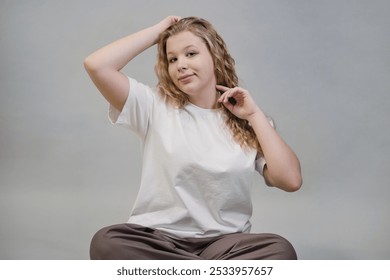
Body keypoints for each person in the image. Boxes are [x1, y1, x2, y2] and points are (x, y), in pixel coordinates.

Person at [84, 16, 302, 260]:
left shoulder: (250, 122)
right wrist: (158, 32)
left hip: (226, 245)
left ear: (215, 56)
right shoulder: (153, 105)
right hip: (158, 240)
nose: (181, 65)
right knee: (108, 242)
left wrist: (254, 114)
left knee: (280, 250)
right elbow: (97, 65)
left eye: (191, 54)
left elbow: (290, 180)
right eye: (172, 59)